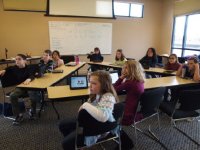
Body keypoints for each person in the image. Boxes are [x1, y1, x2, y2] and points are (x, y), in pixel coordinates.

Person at [59, 70, 118, 149]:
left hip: (101, 129)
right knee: (63, 124)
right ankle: (73, 138)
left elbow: (103, 117)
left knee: (66, 144)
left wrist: (85, 105)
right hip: (92, 121)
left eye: (94, 83)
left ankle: (74, 142)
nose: (90, 86)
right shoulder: (97, 94)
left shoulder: (108, 96)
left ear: (104, 85)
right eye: (90, 82)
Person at [0, 54, 35, 125]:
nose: (17, 61)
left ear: (25, 61)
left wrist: (29, 79)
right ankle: (18, 115)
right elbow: (8, 68)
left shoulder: (29, 67)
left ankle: (32, 110)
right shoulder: (14, 68)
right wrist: (3, 70)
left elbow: (32, 75)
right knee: (13, 95)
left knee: (34, 93)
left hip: (32, 86)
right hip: (21, 87)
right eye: (16, 59)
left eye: (19, 59)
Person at [113, 60, 145, 125]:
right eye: (124, 67)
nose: (123, 69)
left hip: (127, 115)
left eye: (126, 68)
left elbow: (113, 89)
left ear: (133, 70)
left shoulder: (130, 83)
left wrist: (121, 78)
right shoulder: (140, 80)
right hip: (136, 110)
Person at [28, 49, 54, 119]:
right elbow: (36, 71)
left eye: (46, 55)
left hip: (46, 81)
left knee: (32, 92)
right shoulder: (41, 62)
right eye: (43, 55)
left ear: (50, 56)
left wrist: (39, 73)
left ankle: (33, 109)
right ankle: (39, 101)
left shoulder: (51, 63)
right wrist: (38, 73)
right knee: (32, 91)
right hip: (38, 80)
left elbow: (48, 72)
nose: (44, 56)